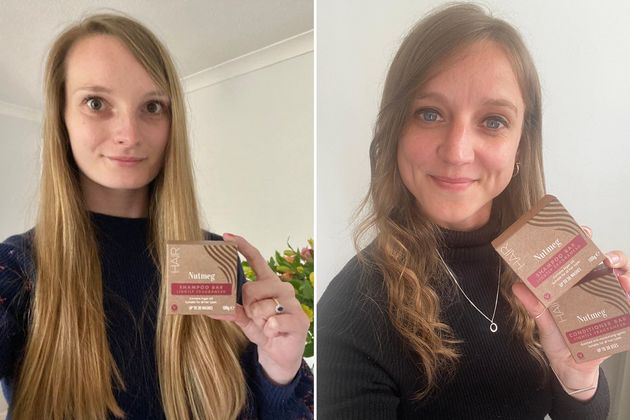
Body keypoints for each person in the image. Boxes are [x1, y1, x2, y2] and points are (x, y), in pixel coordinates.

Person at [317, 3, 629, 419]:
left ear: (521, 144)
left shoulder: (549, 265)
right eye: (430, 114)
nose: (458, 151)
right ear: (395, 131)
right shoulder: (351, 311)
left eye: (494, 121)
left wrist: (578, 377)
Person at [0, 13, 312, 420]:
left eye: (151, 106)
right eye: (96, 103)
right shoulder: (18, 268)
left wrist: (280, 371)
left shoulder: (212, 258)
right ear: (62, 118)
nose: (129, 133)